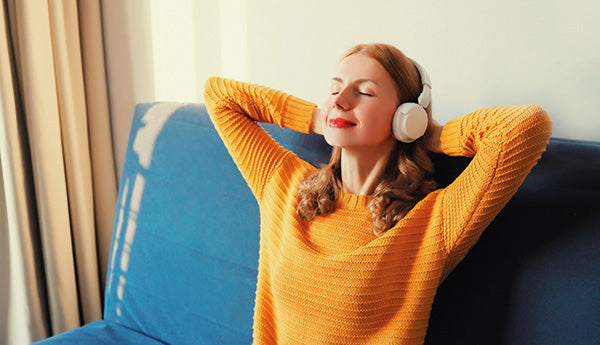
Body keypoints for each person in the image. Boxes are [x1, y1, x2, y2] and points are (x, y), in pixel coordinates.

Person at [203, 43, 552, 345]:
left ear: (404, 114)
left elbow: (526, 127)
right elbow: (219, 96)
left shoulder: (432, 223)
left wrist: (426, 133)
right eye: (335, 89)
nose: (339, 101)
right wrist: (314, 116)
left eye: (364, 92)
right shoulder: (283, 184)